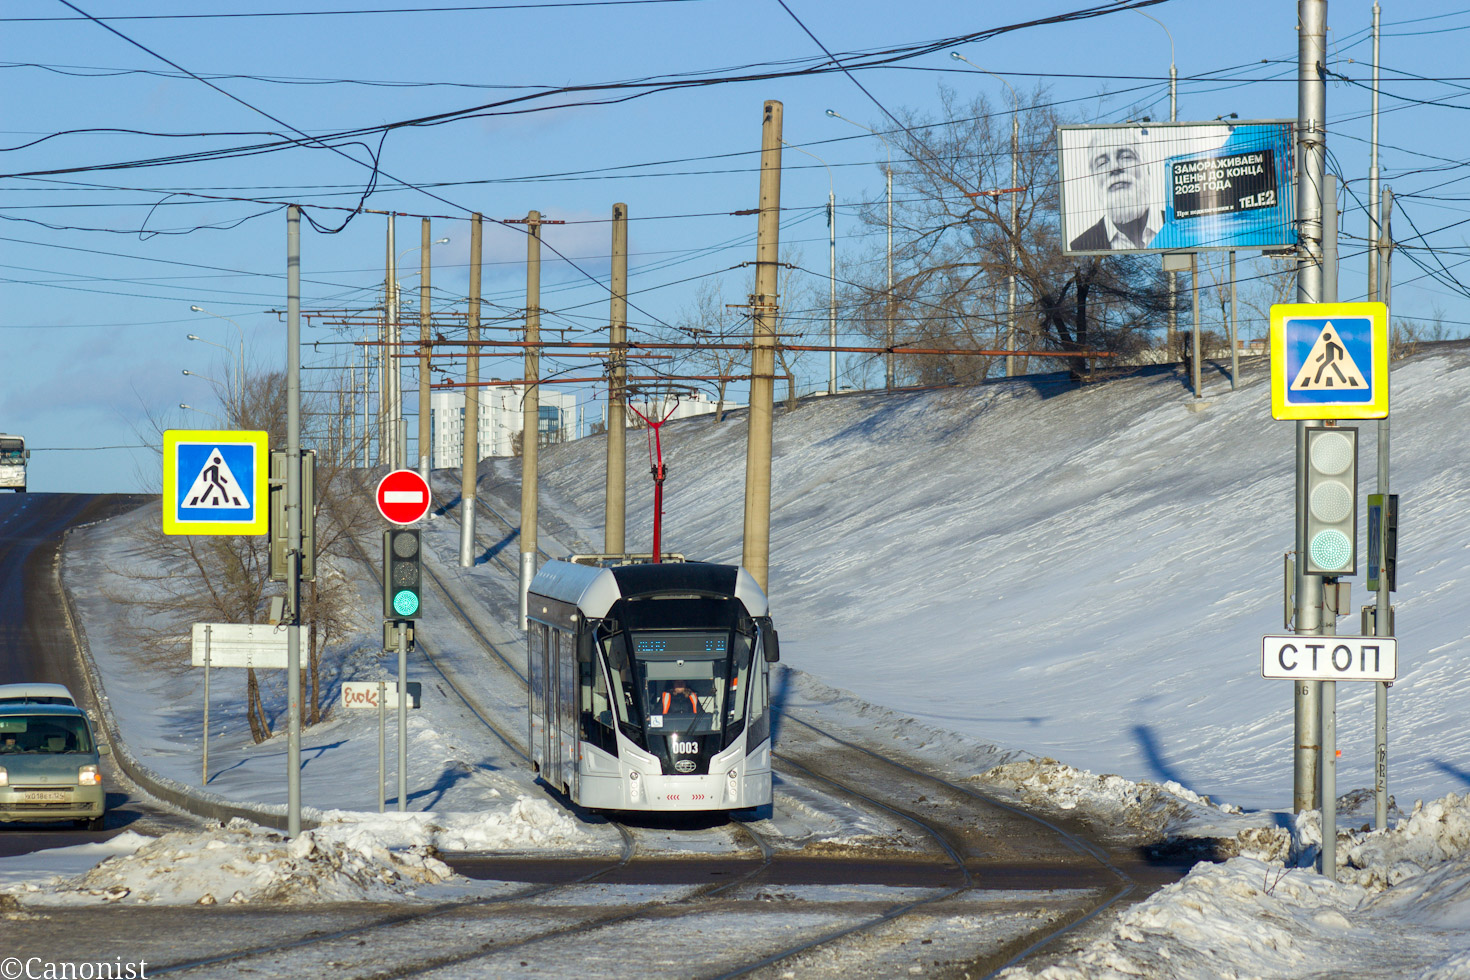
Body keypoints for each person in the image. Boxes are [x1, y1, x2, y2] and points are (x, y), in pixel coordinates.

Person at [1070, 129, 1161, 251]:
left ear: (1147, 168)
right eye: (1102, 163)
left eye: (1126, 156)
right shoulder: (1080, 246)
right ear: (1094, 179)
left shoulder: (1183, 228)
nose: (1114, 167)